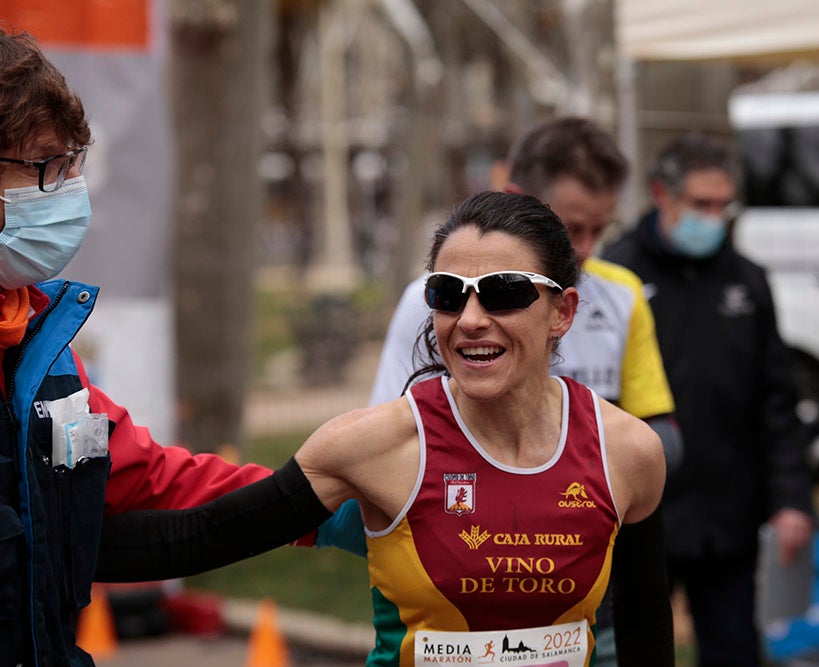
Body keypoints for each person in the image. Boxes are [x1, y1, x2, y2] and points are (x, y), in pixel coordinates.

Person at [97, 190, 673, 667]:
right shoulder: (373, 445)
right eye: (448, 295)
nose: (471, 320)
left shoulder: (627, 453)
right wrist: (35, 552)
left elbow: (647, 634)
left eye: (504, 292)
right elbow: (203, 537)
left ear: (563, 312)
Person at [0, 28, 358, 667]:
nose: (73, 186)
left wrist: (314, 503)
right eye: (48, 168)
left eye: (75, 161)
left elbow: (142, 482)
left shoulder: (34, 335)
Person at [366, 116, 680, 664]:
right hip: (466, 592)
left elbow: (658, 431)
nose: (580, 249)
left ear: (564, 314)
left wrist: (585, 463)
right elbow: (384, 450)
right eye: (568, 227)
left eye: (597, 230)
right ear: (516, 198)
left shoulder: (622, 294)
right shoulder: (435, 298)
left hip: (591, 593)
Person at [603, 132, 814, 667]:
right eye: (702, 204)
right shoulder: (616, 277)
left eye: (724, 205)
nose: (714, 218)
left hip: (730, 518)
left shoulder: (749, 281)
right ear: (662, 195)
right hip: (640, 519)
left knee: (735, 650)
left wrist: (792, 499)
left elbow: (777, 400)